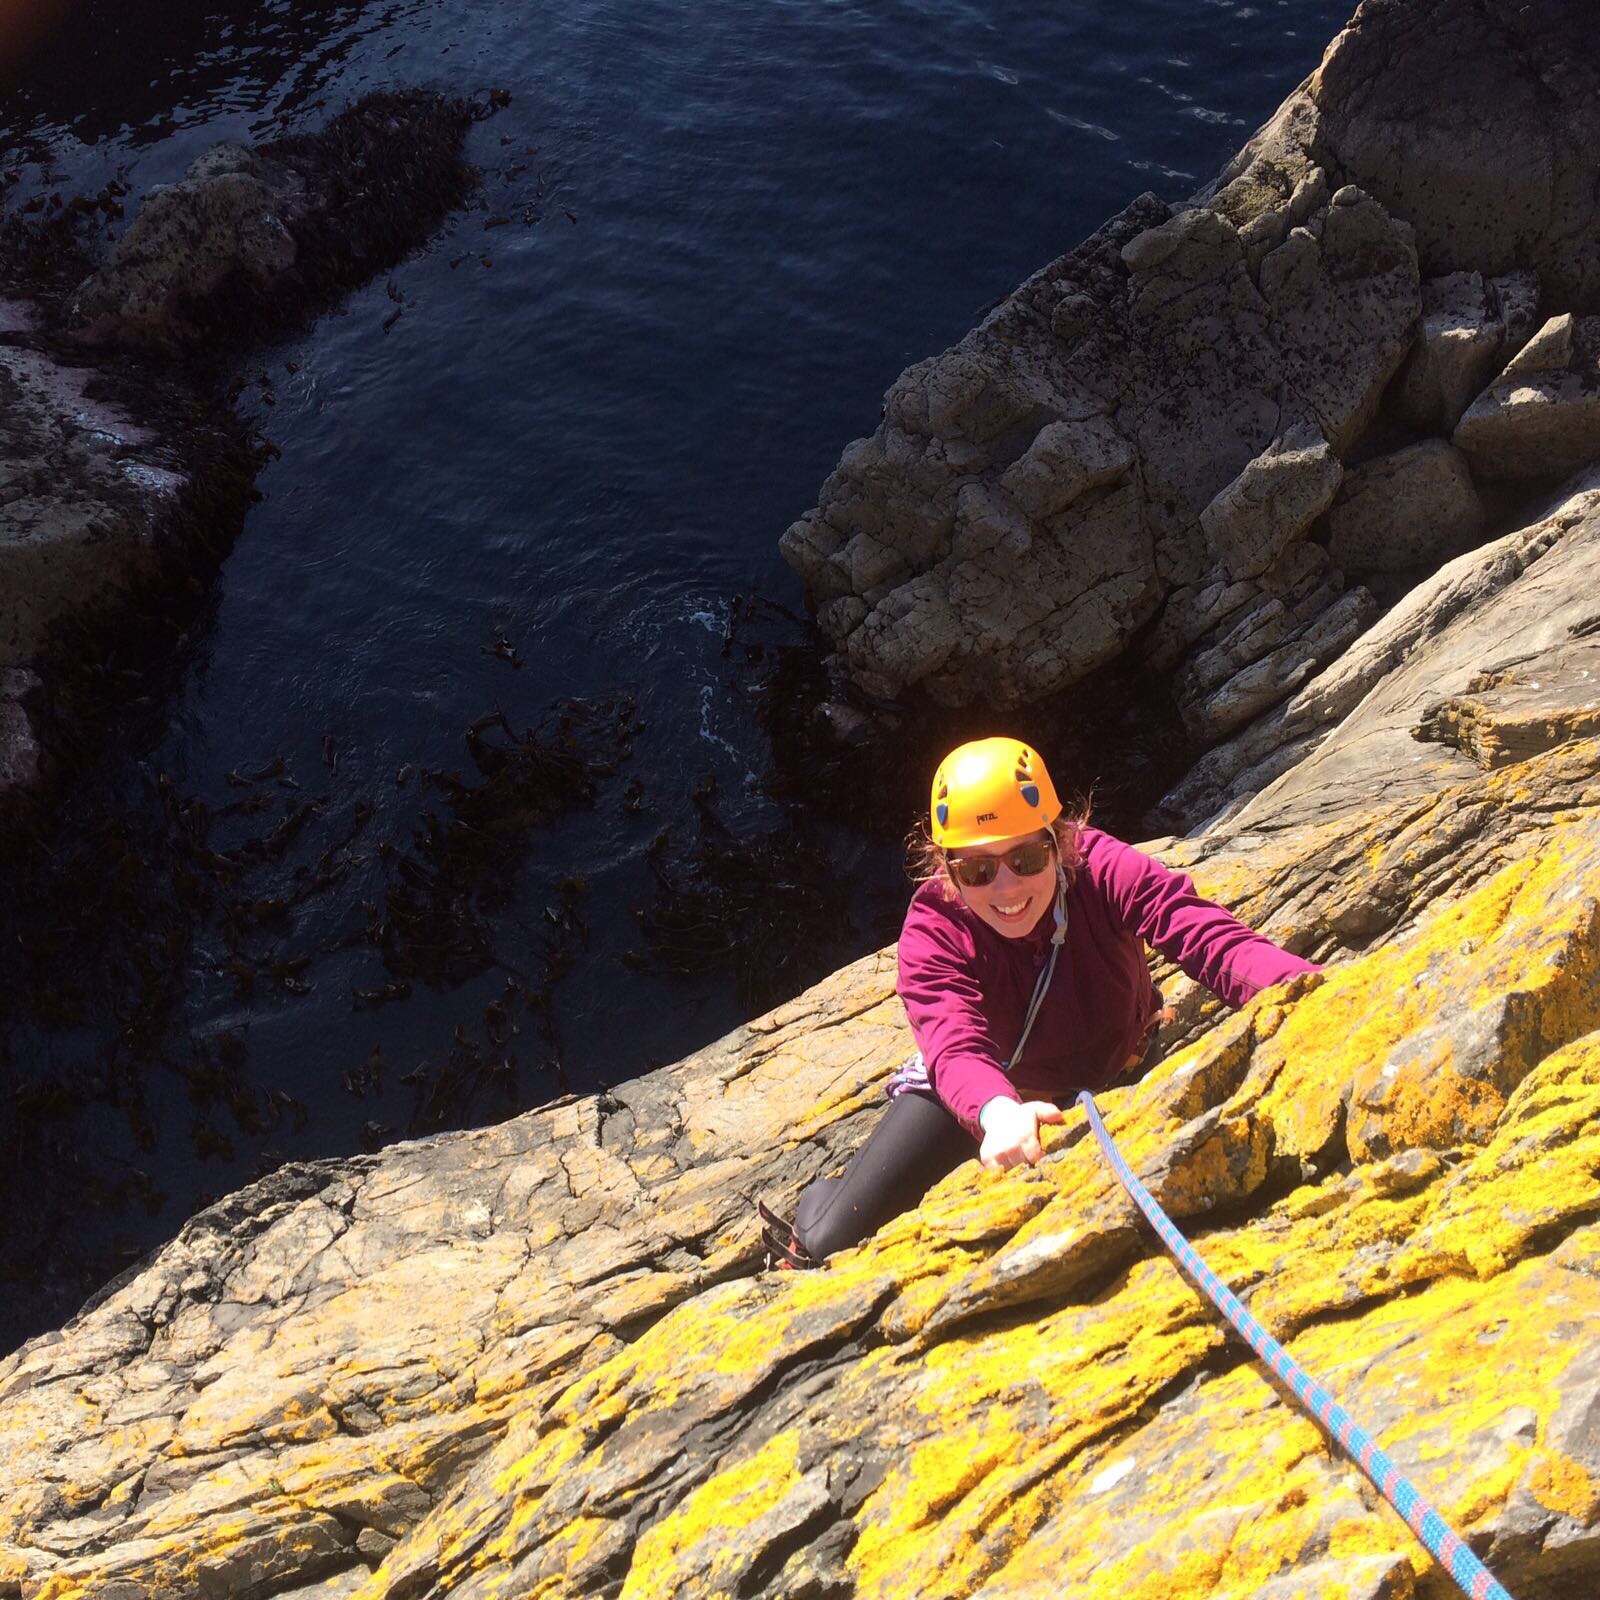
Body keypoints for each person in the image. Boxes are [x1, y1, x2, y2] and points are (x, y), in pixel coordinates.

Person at [759, 735, 1318, 1270]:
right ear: (948, 870)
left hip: (1115, 1064)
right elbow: (954, 1044)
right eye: (977, 870)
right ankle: (820, 1199)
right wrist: (998, 1114)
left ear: (1061, 842)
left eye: (1026, 858)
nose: (1005, 888)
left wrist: (1304, 990)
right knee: (831, 1239)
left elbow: (1200, 933)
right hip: (995, 1096)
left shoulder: (1101, 868)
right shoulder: (934, 931)